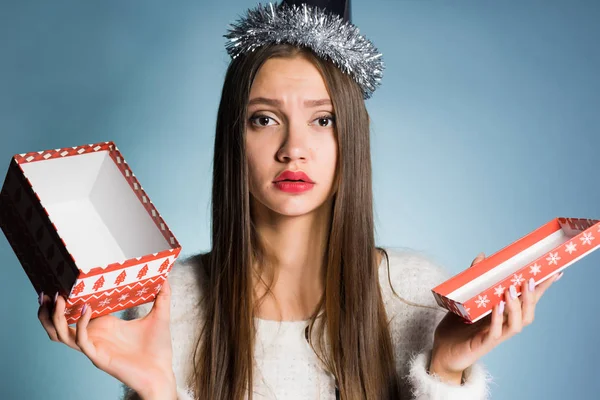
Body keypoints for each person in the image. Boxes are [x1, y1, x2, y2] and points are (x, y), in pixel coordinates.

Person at [36, 1, 561, 399]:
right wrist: (156, 388)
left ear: (351, 138)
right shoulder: (171, 302)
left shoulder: (419, 293)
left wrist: (445, 368)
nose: (293, 150)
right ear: (232, 138)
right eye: (264, 119)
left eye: (322, 120)